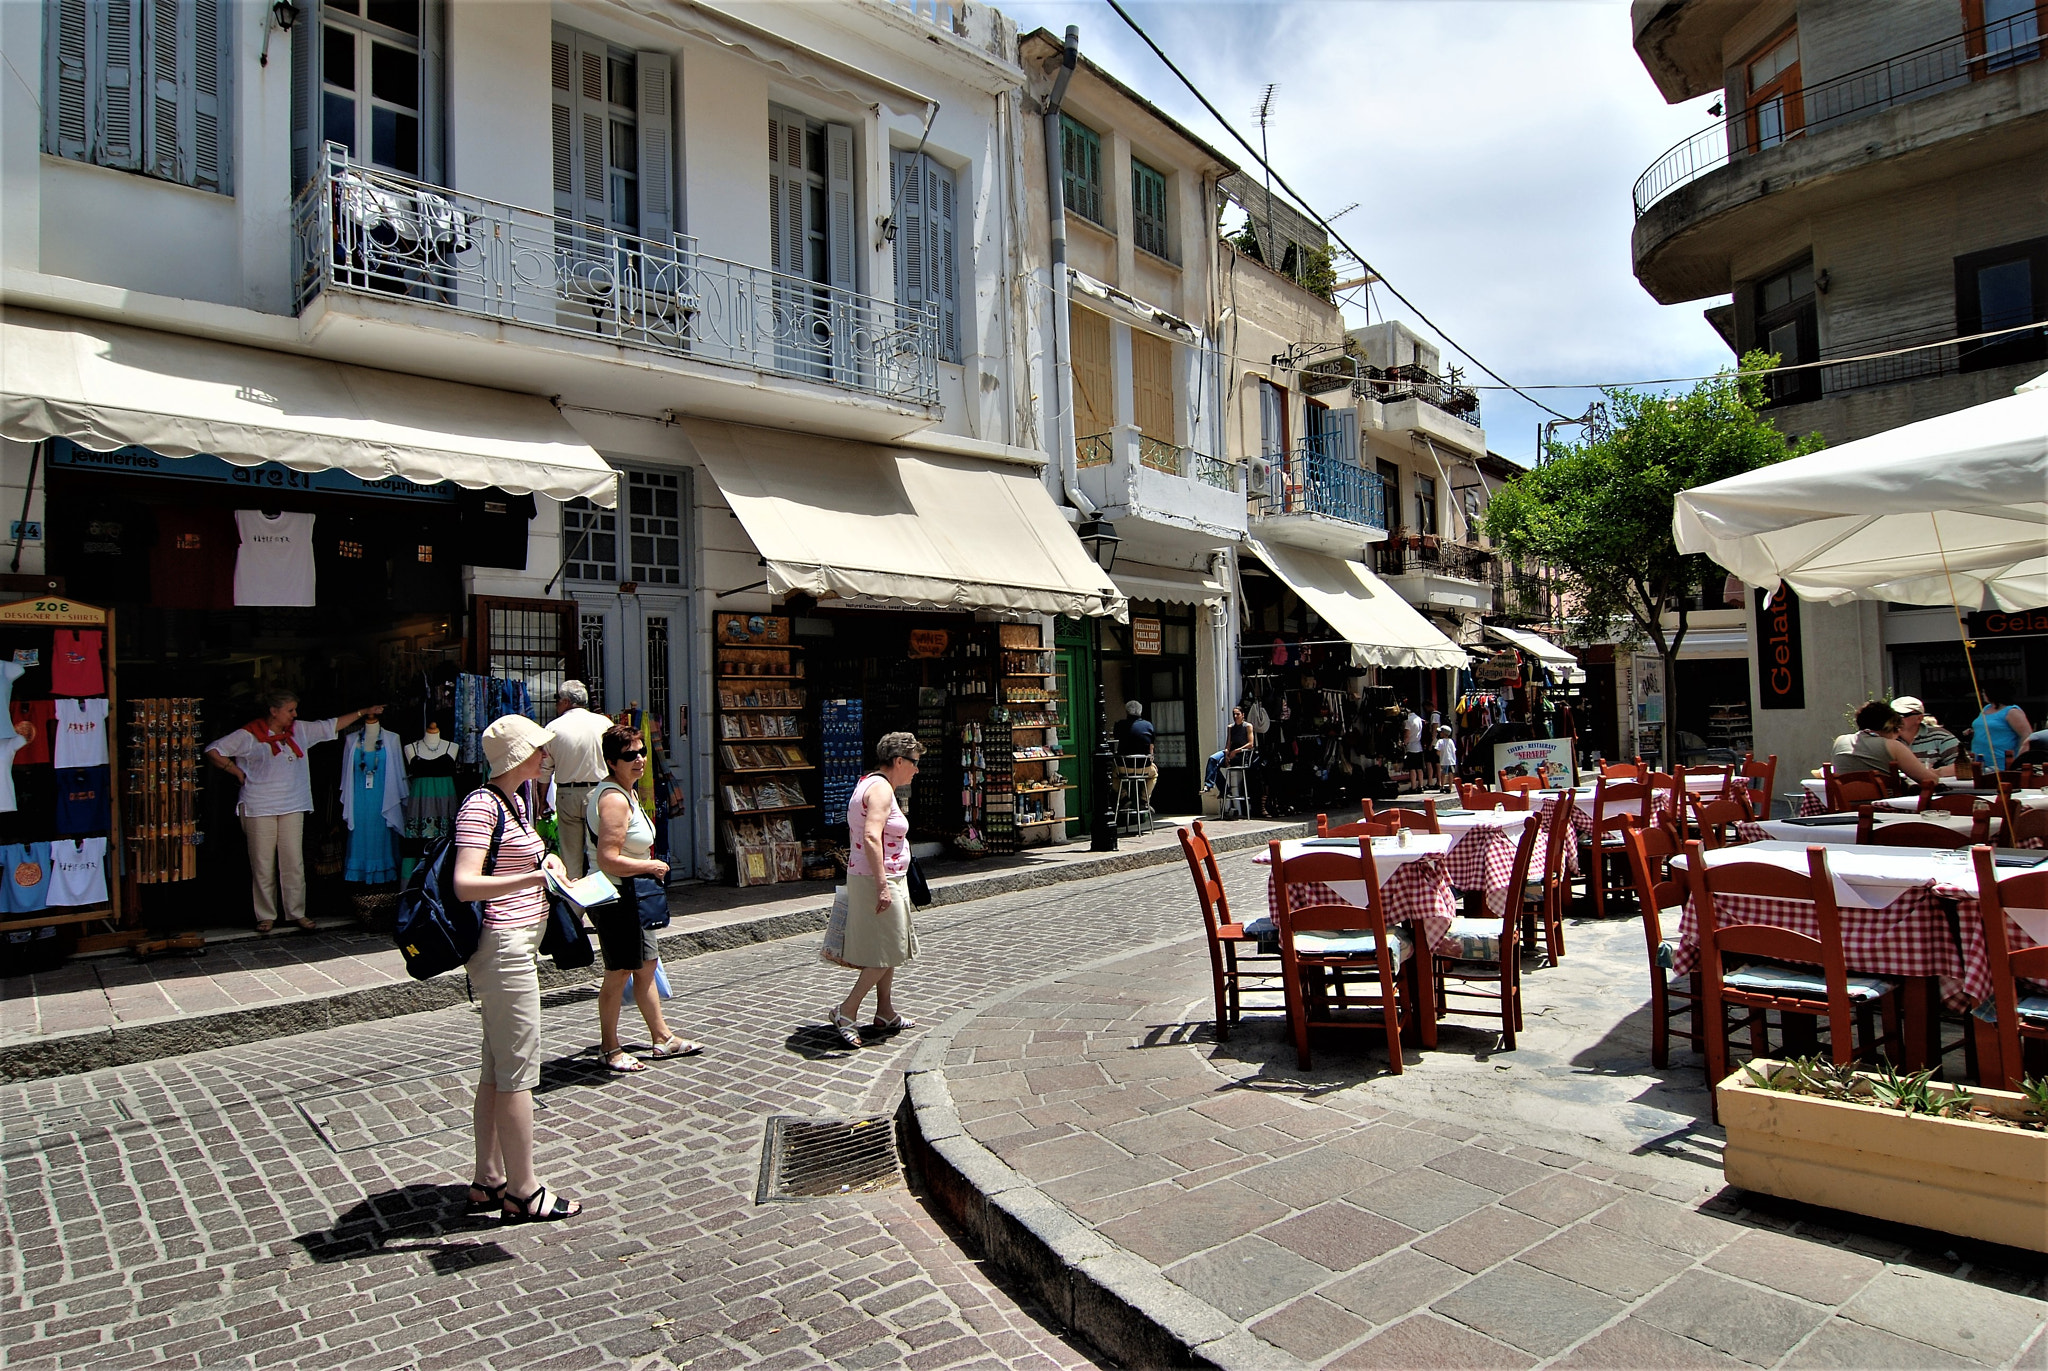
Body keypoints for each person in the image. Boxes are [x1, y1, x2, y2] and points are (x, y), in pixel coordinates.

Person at [454, 715, 580, 1224]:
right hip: (503, 949)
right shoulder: (482, 805)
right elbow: (466, 883)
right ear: (517, 757)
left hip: (517, 945)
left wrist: (547, 862)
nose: (544, 755)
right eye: (537, 749)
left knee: (498, 1067)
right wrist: (533, 877)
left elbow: (515, 860)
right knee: (520, 1074)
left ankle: (489, 1178)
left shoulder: (515, 803)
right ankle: (524, 1189)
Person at [206, 691, 383, 933]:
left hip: (292, 804)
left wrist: (363, 712)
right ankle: (266, 915)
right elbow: (214, 750)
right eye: (290, 710)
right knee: (263, 862)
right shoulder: (249, 735)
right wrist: (235, 771)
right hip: (259, 806)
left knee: (293, 861)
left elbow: (330, 726)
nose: (295, 714)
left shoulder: (299, 730)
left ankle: (296, 912)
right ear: (274, 711)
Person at [588, 724, 699, 1071]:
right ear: (611, 761)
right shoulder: (613, 799)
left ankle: (662, 1037)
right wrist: (650, 864)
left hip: (637, 894)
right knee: (619, 971)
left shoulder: (629, 792)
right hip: (618, 896)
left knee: (647, 965)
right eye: (629, 755)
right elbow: (608, 857)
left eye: (641, 752)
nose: (639, 760)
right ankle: (610, 1047)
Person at [828, 732, 922, 1048]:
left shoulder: (869, 782)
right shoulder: (881, 790)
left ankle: (885, 1011)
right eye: (914, 763)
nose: (916, 770)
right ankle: (846, 1010)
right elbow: (871, 837)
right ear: (899, 761)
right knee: (889, 949)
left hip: (877, 876)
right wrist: (882, 886)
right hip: (878, 879)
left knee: (888, 948)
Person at [545, 681, 611, 879]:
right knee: (599, 854)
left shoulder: (553, 727)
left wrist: (541, 801)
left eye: (557, 700)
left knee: (570, 859)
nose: (556, 704)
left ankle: (574, 908)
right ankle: (601, 905)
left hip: (567, 794)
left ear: (566, 702)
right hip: (598, 792)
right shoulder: (604, 723)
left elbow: (544, 770)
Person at [1831, 700, 1939, 788]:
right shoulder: (1892, 746)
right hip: (1885, 808)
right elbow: (1930, 780)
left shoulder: (1840, 741)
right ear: (1891, 727)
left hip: (1847, 807)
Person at [1969, 682, 2033, 771]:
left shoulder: (2012, 712)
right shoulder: (1986, 708)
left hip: (2001, 762)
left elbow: (2026, 736)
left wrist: (2019, 760)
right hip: (1979, 760)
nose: (1982, 694)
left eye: (1984, 692)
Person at [1890, 696, 1960, 771]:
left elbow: (1963, 766)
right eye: (1892, 714)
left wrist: (1935, 773)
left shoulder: (1940, 737)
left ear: (1919, 718)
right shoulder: (1884, 739)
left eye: (1901, 715)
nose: (1895, 718)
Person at [1113, 700, 1158, 806]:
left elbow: (1115, 738)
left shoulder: (1120, 725)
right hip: (1143, 768)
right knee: (1154, 775)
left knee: (1112, 775)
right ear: (1140, 712)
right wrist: (1151, 761)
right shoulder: (1148, 725)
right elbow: (1151, 746)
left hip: (1124, 767)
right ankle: (1144, 799)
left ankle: (1123, 797)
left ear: (1127, 712)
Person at [1204, 705, 1255, 792]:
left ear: (1243, 715)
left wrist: (1235, 751)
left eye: (1238, 714)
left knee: (1217, 764)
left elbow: (1251, 744)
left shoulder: (1248, 726)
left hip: (1241, 754)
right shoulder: (1230, 727)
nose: (1235, 717)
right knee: (1213, 759)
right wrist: (1227, 753)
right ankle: (1208, 785)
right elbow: (1228, 743)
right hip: (1230, 752)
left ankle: (1224, 790)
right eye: (1234, 714)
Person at [1401, 703, 1427, 794]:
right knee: (1419, 768)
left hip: (1411, 746)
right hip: (1418, 745)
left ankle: (1413, 786)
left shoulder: (1408, 720)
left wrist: (1403, 743)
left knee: (1412, 768)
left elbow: (1407, 735)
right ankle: (1421, 785)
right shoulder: (1419, 719)